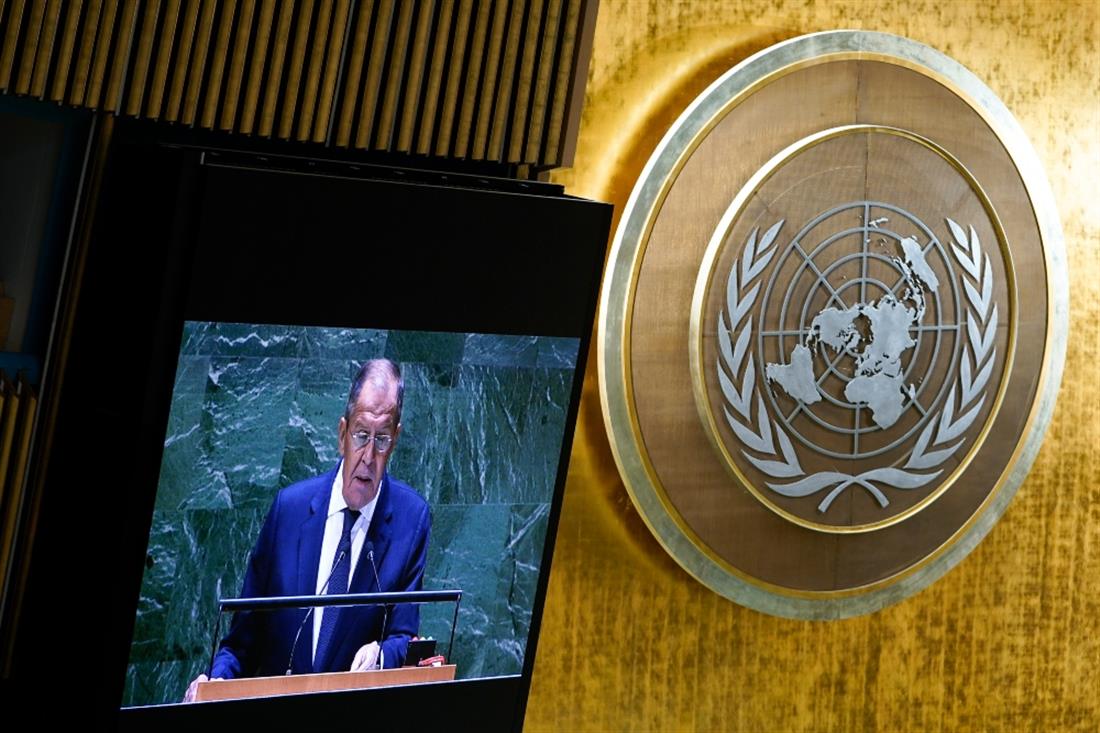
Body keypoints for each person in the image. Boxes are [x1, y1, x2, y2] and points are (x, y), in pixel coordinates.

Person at [185, 358, 430, 701]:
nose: (368, 456)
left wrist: (381, 655)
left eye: (382, 439)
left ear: (395, 440)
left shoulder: (411, 519)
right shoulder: (289, 509)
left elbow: (405, 637)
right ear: (342, 434)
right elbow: (241, 641)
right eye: (361, 435)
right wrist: (214, 683)